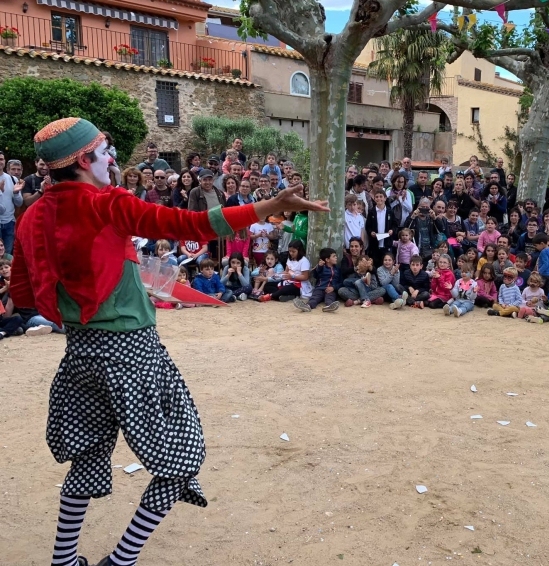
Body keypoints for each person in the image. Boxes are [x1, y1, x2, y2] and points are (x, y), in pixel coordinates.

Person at [10, 118, 328, 566]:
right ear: (83, 160)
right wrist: (270, 204)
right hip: (132, 353)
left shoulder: (32, 214)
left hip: (79, 354)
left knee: (87, 454)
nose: (113, 158)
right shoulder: (109, 204)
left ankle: (64, 560)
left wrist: (110, 279)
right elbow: (194, 224)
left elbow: (25, 296)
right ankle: (122, 560)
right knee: (182, 457)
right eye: (106, 151)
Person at [297, 247, 341, 312]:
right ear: (327, 259)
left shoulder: (337, 269)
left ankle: (329, 307)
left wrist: (333, 288)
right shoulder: (321, 268)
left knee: (330, 298)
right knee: (315, 298)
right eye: (334, 256)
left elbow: (340, 282)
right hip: (319, 288)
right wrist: (319, 267)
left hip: (330, 290)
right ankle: (307, 306)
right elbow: (316, 275)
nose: (336, 257)